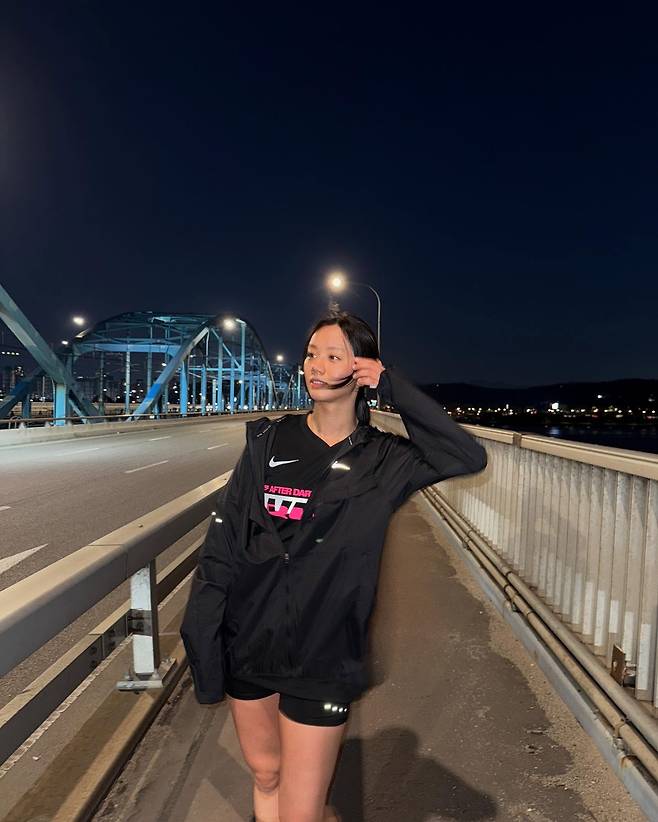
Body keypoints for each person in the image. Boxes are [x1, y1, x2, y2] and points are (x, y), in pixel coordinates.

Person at [181, 312, 487, 822]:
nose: (315, 366)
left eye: (332, 356)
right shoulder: (268, 443)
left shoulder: (384, 460)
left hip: (324, 655)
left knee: (301, 811)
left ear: (360, 369)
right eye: (310, 354)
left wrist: (391, 385)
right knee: (266, 774)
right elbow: (225, 543)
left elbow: (465, 456)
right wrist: (204, 634)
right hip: (249, 640)